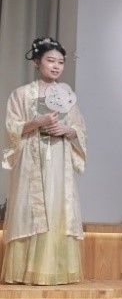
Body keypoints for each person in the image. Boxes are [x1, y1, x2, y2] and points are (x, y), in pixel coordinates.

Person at [2, 37, 87, 285]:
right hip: (31, 158)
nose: (56, 66)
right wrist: (37, 122)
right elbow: (12, 128)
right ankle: (25, 271)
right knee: (29, 208)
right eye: (50, 60)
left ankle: (55, 270)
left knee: (56, 206)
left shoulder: (66, 96)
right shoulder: (21, 95)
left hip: (58, 159)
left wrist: (67, 130)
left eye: (60, 62)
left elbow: (79, 128)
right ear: (37, 62)